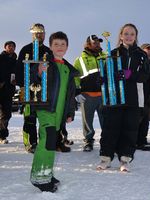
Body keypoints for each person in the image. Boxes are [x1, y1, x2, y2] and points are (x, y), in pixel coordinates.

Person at [97, 23, 149, 172]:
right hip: (115, 98)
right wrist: (102, 79)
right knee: (110, 128)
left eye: (132, 34)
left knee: (130, 129)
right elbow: (107, 73)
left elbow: (146, 75)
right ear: (120, 36)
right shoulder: (112, 53)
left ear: (136, 36)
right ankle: (106, 158)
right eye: (126, 33)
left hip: (133, 98)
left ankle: (125, 159)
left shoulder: (141, 55)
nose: (129, 36)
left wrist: (130, 74)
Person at [30, 31, 78, 192]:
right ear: (50, 46)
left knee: (51, 142)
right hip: (45, 109)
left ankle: (46, 173)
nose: (59, 47)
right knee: (47, 140)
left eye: (63, 44)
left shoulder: (68, 69)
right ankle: (40, 178)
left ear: (67, 47)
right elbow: (32, 80)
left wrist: (70, 112)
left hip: (59, 113)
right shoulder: (45, 63)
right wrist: (38, 72)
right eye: (56, 44)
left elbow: (70, 94)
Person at [16, 23, 52, 153]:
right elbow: (19, 69)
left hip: (44, 91)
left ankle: (43, 142)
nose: (39, 35)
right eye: (36, 33)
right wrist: (21, 86)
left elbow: (53, 71)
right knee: (29, 118)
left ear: (44, 34)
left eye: (41, 33)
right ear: (32, 34)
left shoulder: (48, 51)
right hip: (28, 90)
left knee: (44, 118)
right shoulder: (25, 49)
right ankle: (31, 143)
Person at [73, 35, 106, 151]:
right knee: (87, 120)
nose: (97, 44)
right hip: (87, 96)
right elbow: (75, 78)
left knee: (106, 120)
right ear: (88, 44)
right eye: (94, 42)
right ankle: (88, 141)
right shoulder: (80, 60)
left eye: (98, 42)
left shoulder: (106, 57)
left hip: (104, 95)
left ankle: (106, 141)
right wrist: (77, 92)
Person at [0, 41, 17, 144]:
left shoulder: (16, 61)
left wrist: (17, 81)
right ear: (5, 47)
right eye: (9, 46)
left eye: (12, 46)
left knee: (7, 114)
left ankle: (2, 136)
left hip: (9, 91)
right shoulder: (0, 58)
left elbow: (18, 73)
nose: (11, 48)